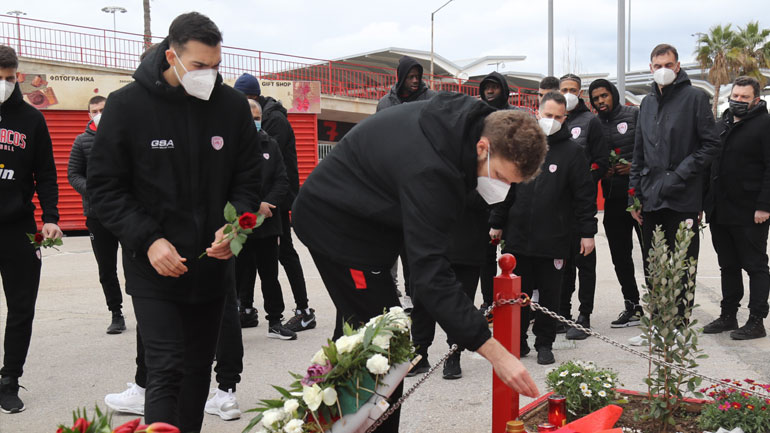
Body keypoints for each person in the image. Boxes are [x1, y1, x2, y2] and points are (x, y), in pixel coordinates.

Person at [292, 92, 544, 432]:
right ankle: (337, 422)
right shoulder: (431, 168)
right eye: (501, 177)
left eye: (512, 184)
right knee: (385, 346)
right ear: (482, 148)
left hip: (371, 223)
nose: (503, 189)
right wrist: (496, 353)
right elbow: (430, 274)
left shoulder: (467, 125)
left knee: (358, 342)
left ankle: (327, 421)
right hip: (337, 228)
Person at [87, 13, 261, 431]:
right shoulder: (128, 106)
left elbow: (249, 179)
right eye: (200, 66)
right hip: (153, 266)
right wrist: (147, 239)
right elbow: (105, 189)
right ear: (171, 56)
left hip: (213, 265)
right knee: (165, 368)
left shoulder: (231, 106)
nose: (210, 75)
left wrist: (234, 226)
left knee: (199, 367)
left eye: (216, 65)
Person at [493, 91, 597, 365]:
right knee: (518, 295)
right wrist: (497, 222)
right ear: (538, 113)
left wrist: (588, 232)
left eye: (557, 117)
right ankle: (518, 342)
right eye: (547, 115)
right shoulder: (522, 147)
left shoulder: (573, 153)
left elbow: (584, 196)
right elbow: (505, 187)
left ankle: (545, 343)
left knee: (550, 296)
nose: (551, 121)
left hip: (554, 238)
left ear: (565, 118)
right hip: (518, 237)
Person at [628, 43, 720, 335]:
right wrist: (634, 196)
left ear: (678, 66)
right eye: (657, 66)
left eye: (668, 65)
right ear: (651, 68)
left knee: (682, 264)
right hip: (651, 196)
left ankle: (678, 324)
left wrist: (680, 173)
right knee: (654, 264)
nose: (662, 70)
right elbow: (638, 152)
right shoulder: (646, 104)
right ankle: (658, 323)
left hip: (683, 197)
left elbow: (710, 145)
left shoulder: (695, 98)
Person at [0, 44, 63, 414]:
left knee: (22, 307)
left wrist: (52, 216)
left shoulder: (31, 119)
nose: (5, 85)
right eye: (0, 78)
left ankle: (9, 379)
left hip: (18, 227)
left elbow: (46, 173)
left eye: (10, 78)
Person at [233, 73, 316, 333]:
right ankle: (245, 308)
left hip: (276, 205)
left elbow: (270, 170)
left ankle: (303, 310)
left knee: (283, 256)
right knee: (244, 261)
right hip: (251, 208)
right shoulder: (238, 132)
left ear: (255, 97)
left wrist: (267, 202)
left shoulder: (274, 123)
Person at [703, 75, 770, 340]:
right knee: (727, 265)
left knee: (755, 266)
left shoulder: (765, 125)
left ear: (756, 99)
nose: (738, 101)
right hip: (720, 209)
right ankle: (728, 315)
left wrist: (764, 205)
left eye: (744, 97)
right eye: (735, 96)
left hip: (751, 211)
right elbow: (709, 165)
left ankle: (756, 320)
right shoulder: (723, 123)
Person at [376, 55, 438, 310]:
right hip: (390, 179)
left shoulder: (430, 98)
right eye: (410, 77)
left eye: (417, 76)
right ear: (400, 77)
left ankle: (415, 296)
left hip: (419, 178)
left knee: (413, 245)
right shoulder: (385, 103)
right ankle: (390, 296)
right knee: (388, 242)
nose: (415, 81)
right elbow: (377, 136)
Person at [236, 99, 296, 340]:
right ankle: (235, 318)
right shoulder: (233, 147)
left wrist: (267, 204)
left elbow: (282, 180)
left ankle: (275, 321)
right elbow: (232, 184)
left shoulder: (270, 145)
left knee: (270, 275)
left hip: (269, 222)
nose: (254, 120)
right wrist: (254, 205)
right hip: (241, 223)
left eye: (257, 116)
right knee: (238, 275)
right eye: (249, 116)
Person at [67, 95, 127, 335]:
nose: (99, 113)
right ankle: (116, 313)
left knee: (136, 263)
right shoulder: (81, 142)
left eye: (103, 109)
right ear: (89, 114)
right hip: (97, 215)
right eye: (95, 110)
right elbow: (73, 174)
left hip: (126, 213)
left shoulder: (124, 136)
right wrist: (94, 191)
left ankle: (146, 309)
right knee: (106, 268)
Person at [588, 79, 644, 327]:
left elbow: (649, 149)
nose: (600, 101)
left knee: (650, 254)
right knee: (620, 256)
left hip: (640, 198)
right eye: (596, 98)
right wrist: (602, 171)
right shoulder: (593, 124)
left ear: (614, 95)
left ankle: (661, 308)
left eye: (604, 96)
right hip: (612, 199)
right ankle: (632, 306)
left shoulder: (634, 114)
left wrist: (633, 167)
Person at [558, 73, 608, 340]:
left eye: (573, 89)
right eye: (564, 88)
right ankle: (562, 313)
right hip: (558, 206)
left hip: (582, 204)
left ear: (580, 93)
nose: (568, 93)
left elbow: (601, 160)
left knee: (584, 261)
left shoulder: (591, 122)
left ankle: (584, 315)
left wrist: (585, 181)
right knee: (563, 262)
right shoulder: (552, 121)